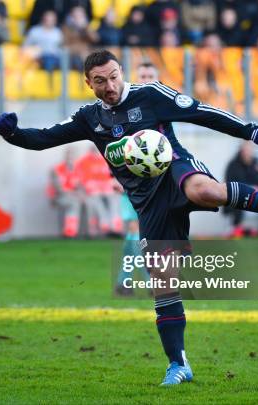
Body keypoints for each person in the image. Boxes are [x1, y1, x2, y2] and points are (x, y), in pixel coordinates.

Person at [0, 49, 258, 386]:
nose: (109, 86)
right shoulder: (89, 117)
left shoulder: (151, 95)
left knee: (206, 191)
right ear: (88, 83)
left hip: (176, 170)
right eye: (100, 81)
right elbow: (43, 139)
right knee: (163, 280)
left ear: (120, 72)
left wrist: (250, 132)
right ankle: (178, 364)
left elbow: (203, 113)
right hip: (146, 202)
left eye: (113, 77)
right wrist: (12, 133)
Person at [115, 62, 158, 296]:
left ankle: (125, 282)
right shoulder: (124, 108)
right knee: (135, 233)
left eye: (150, 76)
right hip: (130, 183)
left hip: (156, 184)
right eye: (142, 76)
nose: (146, 80)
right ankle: (150, 282)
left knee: (142, 236)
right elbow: (111, 143)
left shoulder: (164, 110)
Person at [224, 142, 258, 237]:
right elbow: (230, 184)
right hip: (238, 196)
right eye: (246, 150)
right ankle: (238, 230)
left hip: (257, 196)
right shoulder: (233, 165)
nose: (248, 153)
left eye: (250, 150)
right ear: (241, 150)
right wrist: (249, 188)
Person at [48, 148, 84, 238]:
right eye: (69, 155)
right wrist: (74, 194)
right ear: (65, 156)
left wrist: (81, 194)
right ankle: (70, 232)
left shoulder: (77, 169)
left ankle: (91, 233)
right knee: (74, 203)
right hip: (57, 197)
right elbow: (58, 188)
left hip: (72, 197)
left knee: (86, 201)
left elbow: (80, 186)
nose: (71, 158)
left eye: (73, 156)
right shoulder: (57, 169)